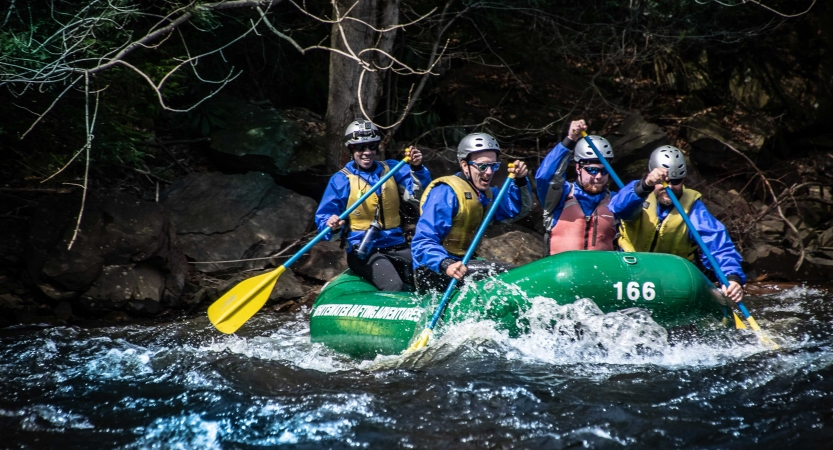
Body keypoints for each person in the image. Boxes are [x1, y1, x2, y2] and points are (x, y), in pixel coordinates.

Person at [608, 145, 747, 302]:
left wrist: (732, 277)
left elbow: (717, 245)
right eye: (663, 181)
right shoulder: (638, 193)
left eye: (676, 181)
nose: (670, 187)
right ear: (652, 176)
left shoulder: (693, 208)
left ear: (683, 180)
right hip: (630, 271)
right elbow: (617, 207)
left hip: (670, 278)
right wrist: (646, 184)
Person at [315, 118, 431, 292]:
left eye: (372, 146)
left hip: (397, 245)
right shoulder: (340, 180)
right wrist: (332, 225)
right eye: (361, 147)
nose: (367, 152)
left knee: (428, 279)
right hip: (364, 251)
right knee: (395, 286)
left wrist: (417, 168)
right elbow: (325, 220)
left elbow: (420, 194)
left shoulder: (393, 169)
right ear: (351, 149)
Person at [412, 132, 532, 291]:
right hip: (434, 269)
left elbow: (517, 210)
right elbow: (422, 241)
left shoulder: (488, 195)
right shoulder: (445, 193)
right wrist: (445, 263)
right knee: (507, 274)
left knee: (514, 274)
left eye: (493, 166)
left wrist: (521, 180)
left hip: (464, 263)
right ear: (464, 165)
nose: (489, 172)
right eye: (482, 166)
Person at [536, 119, 620, 254]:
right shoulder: (559, 197)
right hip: (562, 272)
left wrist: (646, 185)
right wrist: (570, 140)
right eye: (592, 170)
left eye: (605, 171)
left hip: (601, 274)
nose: (598, 176)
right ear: (578, 168)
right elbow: (546, 177)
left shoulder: (616, 201)